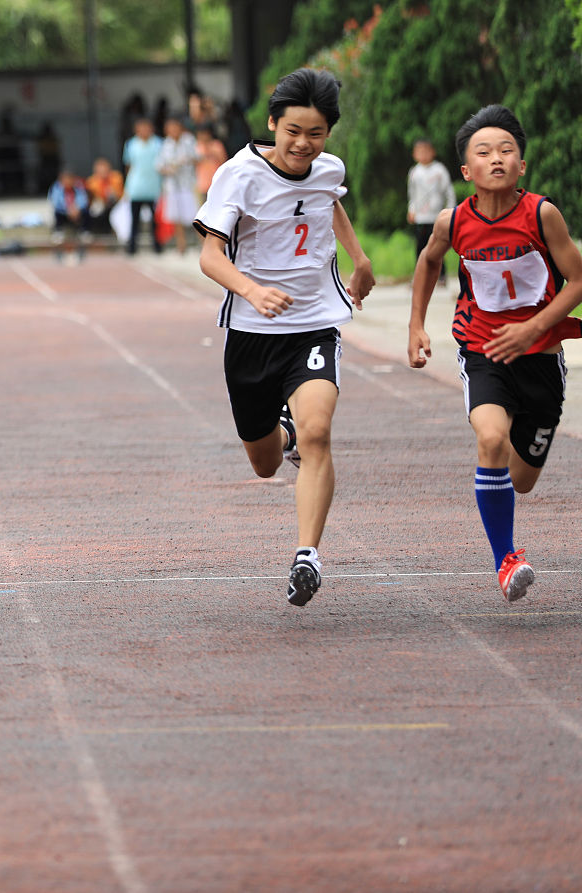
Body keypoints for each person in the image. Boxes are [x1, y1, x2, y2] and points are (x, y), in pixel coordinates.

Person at [193, 68, 375, 607]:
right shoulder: (238, 174)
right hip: (252, 333)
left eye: (316, 134)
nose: (303, 144)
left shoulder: (329, 168)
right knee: (265, 463)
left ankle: (307, 555)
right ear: (273, 123)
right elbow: (210, 256)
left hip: (314, 323)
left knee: (319, 431)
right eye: (293, 131)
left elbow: (329, 201)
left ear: (328, 134)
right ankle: (284, 435)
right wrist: (252, 291)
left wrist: (360, 258)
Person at [407, 105, 582, 602]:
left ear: (522, 165)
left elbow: (578, 279)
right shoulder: (453, 221)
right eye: (483, 152)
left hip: (541, 357)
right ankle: (506, 560)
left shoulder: (542, 215)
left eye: (507, 150)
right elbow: (428, 262)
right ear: (466, 170)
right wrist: (417, 324)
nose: (497, 158)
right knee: (490, 439)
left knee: (521, 480)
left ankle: (509, 478)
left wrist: (535, 328)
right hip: (482, 349)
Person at [407, 138, 455, 286]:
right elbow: (412, 193)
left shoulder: (439, 170)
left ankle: (441, 276)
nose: (423, 154)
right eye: (419, 151)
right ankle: (420, 277)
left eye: (426, 151)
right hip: (421, 217)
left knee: (438, 247)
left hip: (436, 216)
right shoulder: (414, 172)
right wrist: (411, 209)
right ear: (414, 154)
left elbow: (448, 191)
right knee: (420, 247)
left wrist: (451, 210)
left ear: (432, 152)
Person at [156, 117, 198, 252]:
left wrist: (185, 161)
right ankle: (181, 245)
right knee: (176, 216)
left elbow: (197, 158)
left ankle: (202, 243)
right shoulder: (166, 144)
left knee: (196, 214)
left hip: (188, 183)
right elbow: (159, 165)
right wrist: (169, 169)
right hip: (172, 185)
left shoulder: (189, 140)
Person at [122, 117, 163, 254]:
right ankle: (132, 247)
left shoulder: (159, 143)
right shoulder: (131, 144)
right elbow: (128, 165)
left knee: (156, 220)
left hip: (154, 187)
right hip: (136, 187)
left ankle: (157, 246)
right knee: (134, 219)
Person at [47, 168, 90, 264]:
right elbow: (55, 202)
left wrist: (77, 208)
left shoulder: (79, 187)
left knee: (87, 212)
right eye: (66, 179)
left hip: (76, 213)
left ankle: (84, 231)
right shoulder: (56, 188)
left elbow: (84, 200)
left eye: (70, 179)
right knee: (56, 212)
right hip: (64, 213)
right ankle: (58, 231)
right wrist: (68, 209)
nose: (68, 182)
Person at [85, 157, 124, 235]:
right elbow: (91, 197)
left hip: (116, 203)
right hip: (101, 204)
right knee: (96, 209)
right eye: (100, 170)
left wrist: (112, 192)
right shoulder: (91, 181)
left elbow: (121, 194)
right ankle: (99, 230)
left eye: (105, 170)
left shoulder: (116, 177)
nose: (103, 172)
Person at [194, 125, 227, 205]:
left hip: (217, 183)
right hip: (203, 185)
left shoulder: (217, 145)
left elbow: (224, 162)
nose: (203, 137)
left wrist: (212, 153)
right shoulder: (197, 147)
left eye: (204, 134)